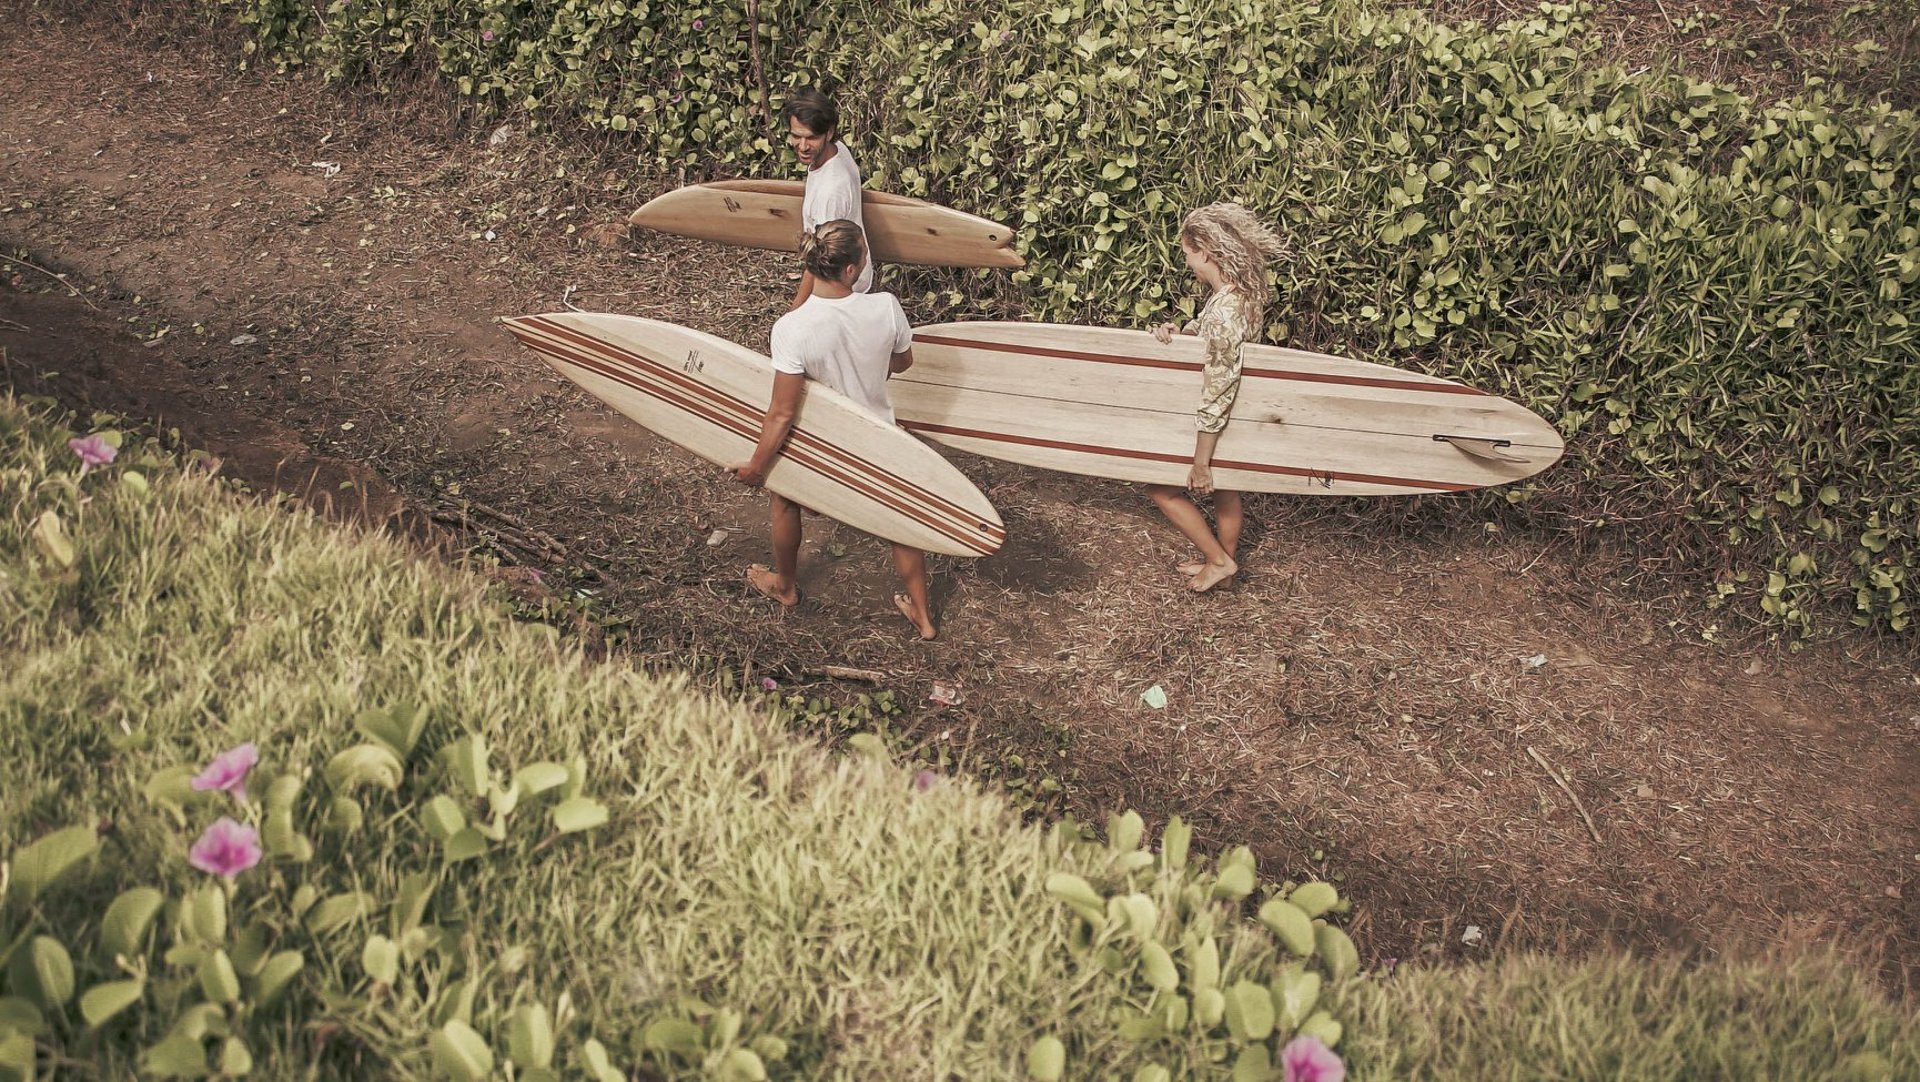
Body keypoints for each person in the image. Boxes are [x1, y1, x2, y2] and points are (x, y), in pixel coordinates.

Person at [731, 219, 938, 640]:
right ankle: (924, 616)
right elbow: (902, 364)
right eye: (863, 256)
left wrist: (757, 466)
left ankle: (786, 587)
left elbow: (782, 413)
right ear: (850, 269)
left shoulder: (792, 328)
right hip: (879, 439)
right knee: (899, 523)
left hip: (821, 444)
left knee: (784, 500)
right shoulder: (885, 306)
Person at [1148, 202, 1287, 593]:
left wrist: (1200, 460)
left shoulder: (1226, 309)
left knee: (1160, 490)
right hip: (1236, 415)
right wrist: (1180, 334)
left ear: (1204, 251)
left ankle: (1220, 561)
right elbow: (1215, 345)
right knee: (1228, 490)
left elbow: (1218, 383)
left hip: (1219, 417)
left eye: (1188, 253)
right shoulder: (1238, 297)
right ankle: (1224, 568)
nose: (1188, 262)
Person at [782, 87, 873, 306]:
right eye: (796, 136)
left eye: (811, 138)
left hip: (841, 284)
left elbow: (819, 260)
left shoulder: (831, 193)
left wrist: (796, 311)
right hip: (845, 272)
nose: (802, 147)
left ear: (829, 132)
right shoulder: (836, 149)